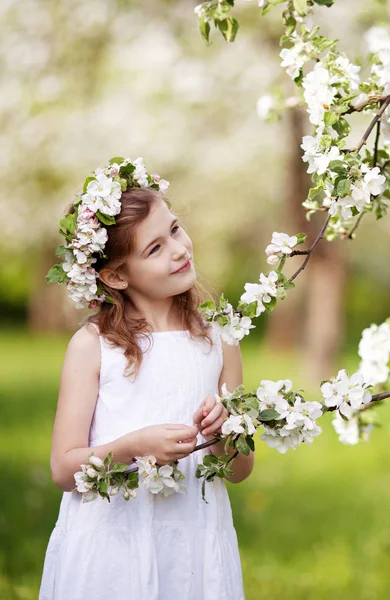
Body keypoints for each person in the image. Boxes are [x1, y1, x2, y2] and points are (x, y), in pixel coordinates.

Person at [39, 156, 254, 599]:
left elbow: (241, 469)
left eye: (174, 229)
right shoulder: (94, 345)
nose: (178, 249)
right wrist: (133, 447)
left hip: (194, 535)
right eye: (154, 248)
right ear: (116, 274)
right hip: (114, 541)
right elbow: (63, 467)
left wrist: (222, 435)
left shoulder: (219, 336)